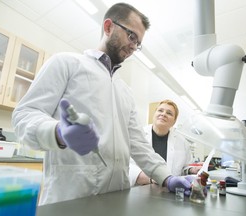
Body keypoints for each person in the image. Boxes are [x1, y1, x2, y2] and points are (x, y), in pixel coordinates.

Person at [12, 3, 193, 205]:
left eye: (138, 43)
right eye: (131, 36)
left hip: (118, 198)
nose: (134, 46)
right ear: (108, 27)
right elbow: (24, 115)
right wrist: (58, 132)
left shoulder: (125, 91)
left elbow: (138, 144)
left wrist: (166, 177)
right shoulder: (66, 63)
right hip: (71, 198)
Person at [130, 100, 200, 186]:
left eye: (169, 113)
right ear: (154, 114)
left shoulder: (182, 142)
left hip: (168, 191)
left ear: (174, 121)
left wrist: (191, 170)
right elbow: (129, 165)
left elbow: (184, 168)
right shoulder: (138, 135)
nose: (163, 114)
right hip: (140, 189)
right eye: (160, 110)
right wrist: (152, 179)